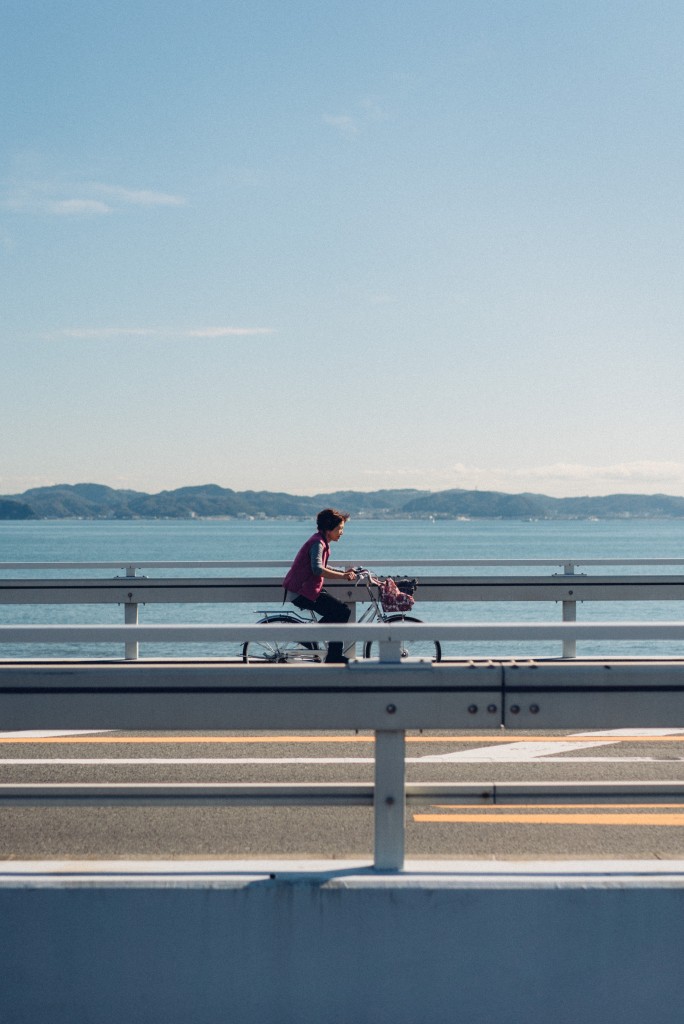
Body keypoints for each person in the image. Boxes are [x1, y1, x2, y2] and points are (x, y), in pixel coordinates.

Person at [283, 509, 357, 663]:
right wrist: (343, 576)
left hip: (308, 590)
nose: (341, 532)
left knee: (339, 612)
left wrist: (343, 573)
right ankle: (330, 653)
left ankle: (319, 643)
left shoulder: (320, 541)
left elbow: (321, 567)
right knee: (342, 611)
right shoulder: (317, 543)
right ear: (328, 529)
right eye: (339, 529)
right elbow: (317, 569)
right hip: (301, 592)